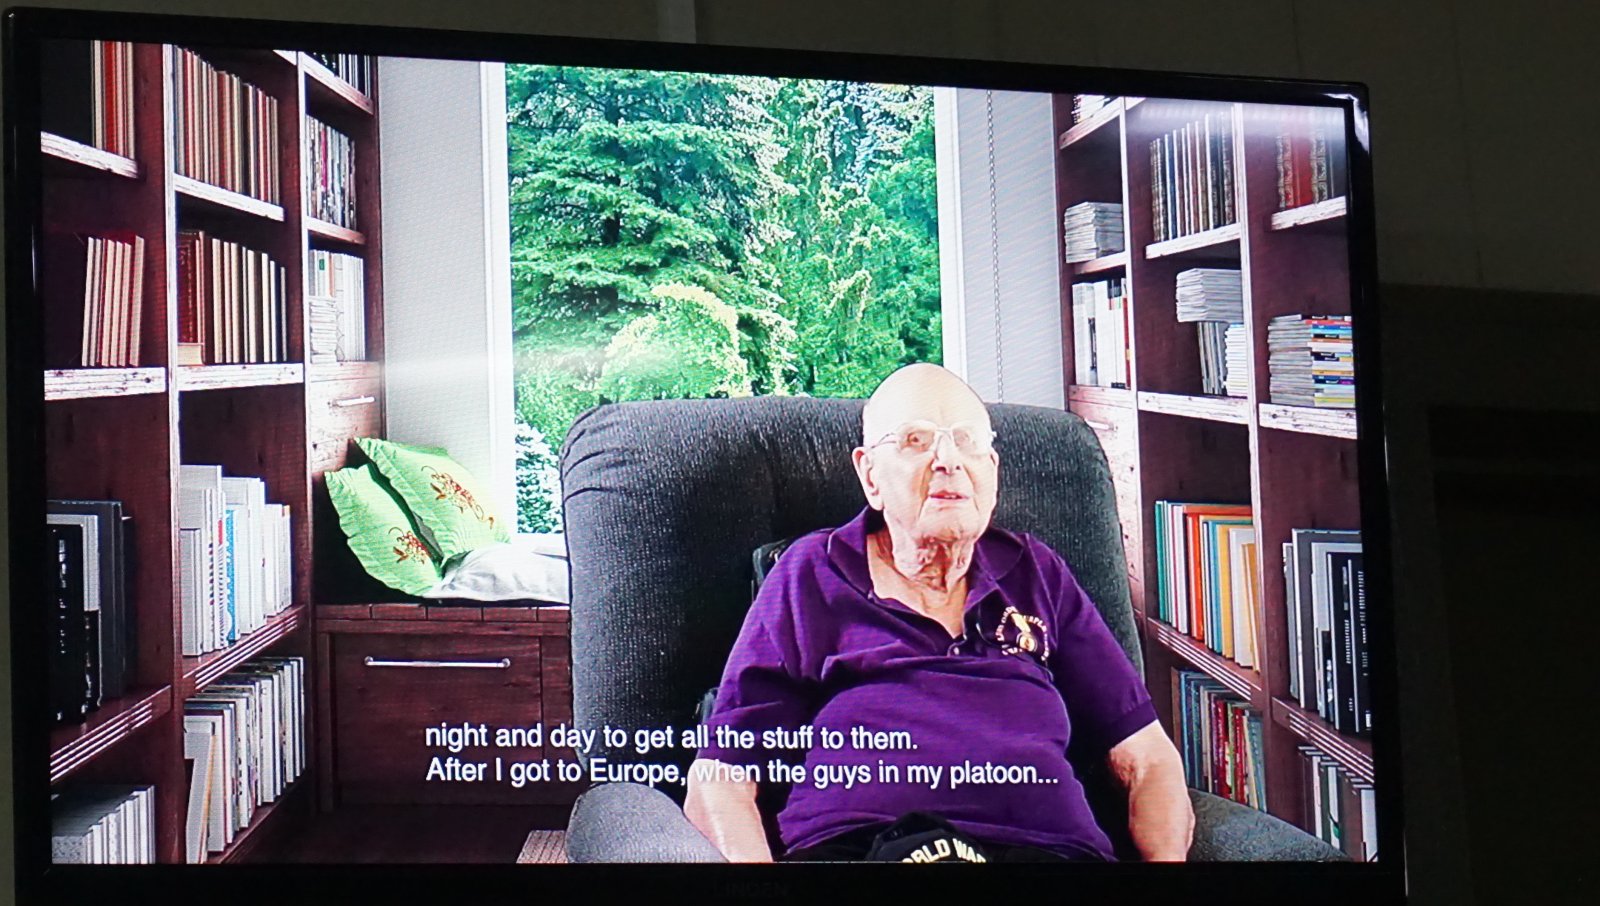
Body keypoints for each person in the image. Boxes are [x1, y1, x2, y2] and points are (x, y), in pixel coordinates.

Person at [683, 363, 1193, 863]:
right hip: (863, 849)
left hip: (1048, 852)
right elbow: (720, 778)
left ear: (992, 469)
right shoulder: (812, 574)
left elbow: (1147, 757)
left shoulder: (1037, 573)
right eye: (915, 440)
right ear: (870, 475)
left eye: (967, 440)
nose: (949, 460)